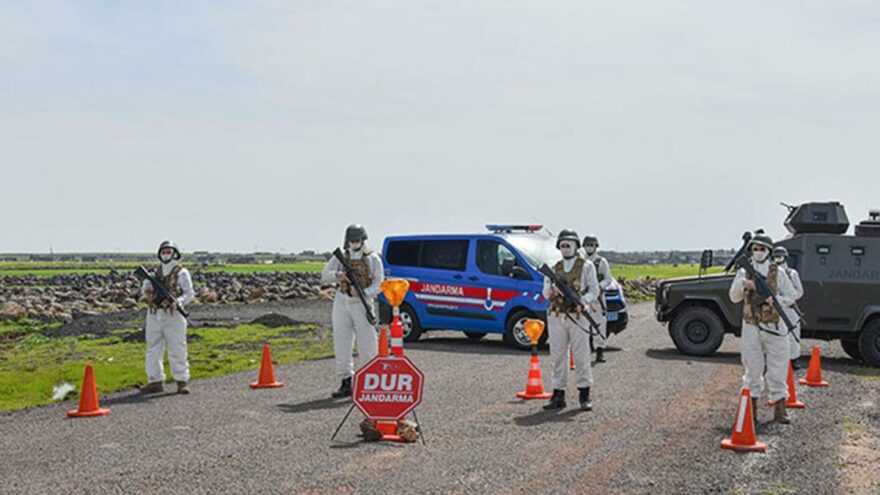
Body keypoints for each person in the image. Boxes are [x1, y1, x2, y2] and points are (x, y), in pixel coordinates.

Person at [729, 234, 798, 424]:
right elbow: (734, 297)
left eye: (762, 249)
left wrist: (775, 300)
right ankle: (751, 410)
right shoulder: (744, 272)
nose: (759, 252)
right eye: (756, 248)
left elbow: (792, 296)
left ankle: (780, 408)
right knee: (752, 367)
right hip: (751, 327)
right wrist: (743, 284)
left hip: (775, 326)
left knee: (778, 367)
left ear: (768, 251)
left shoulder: (778, 272)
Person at [321, 224, 384, 399]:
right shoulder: (341, 258)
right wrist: (338, 276)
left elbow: (379, 283)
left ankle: (371, 382)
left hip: (362, 303)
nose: (355, 242)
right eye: (352, 239)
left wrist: (364, 292)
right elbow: (324, 275)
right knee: (341, 342)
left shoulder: (373, 258)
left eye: (357, 239)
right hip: (342, 301)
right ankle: (346, 381)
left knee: (368, 345)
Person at [542, 230, 601, 411]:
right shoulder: (554, 268)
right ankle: (558, 394)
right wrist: (552, 291)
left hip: (577, 315)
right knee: (558, 356)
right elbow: (544, 293)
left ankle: (584, 394)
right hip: (557, 315)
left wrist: (584, 302)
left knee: (581, 355)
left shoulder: (587, 266)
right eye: (562, 244)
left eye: (569, 244)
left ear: (576, 245)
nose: (565, 247)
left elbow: (594, 290)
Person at [140, 241, 195, 394]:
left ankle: (182, 381)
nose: (166, 254)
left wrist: (180, 301)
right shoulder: (153, 274)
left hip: (174, 315)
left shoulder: (182, 272)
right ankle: (155, 381)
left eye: (168, 251)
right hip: (154, 314)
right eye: (163, 251)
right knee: (152, 349)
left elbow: (189, 294)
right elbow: (144, 291)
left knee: (177, 348)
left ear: (174, 253)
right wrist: (147, 288)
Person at [772, 246, 805, 369]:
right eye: (775, 256)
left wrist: (786, 300)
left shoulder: (792, 273)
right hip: (775, 308)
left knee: (793, 335)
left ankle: (793, 360)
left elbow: (799, 291)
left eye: (780, 256)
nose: (778, 259)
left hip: (789, 308)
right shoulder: (771, 273)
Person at [582, 235, 613, 363]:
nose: (589, 248)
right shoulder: (581, 261)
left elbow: (608, 279)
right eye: (587, 245)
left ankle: (600, 351)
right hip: (584, 296)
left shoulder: (601, 262)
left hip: (598, 298)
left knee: (599, 324)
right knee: (582, 324)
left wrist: (598, 286)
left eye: (591, 245)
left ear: (595, 247)